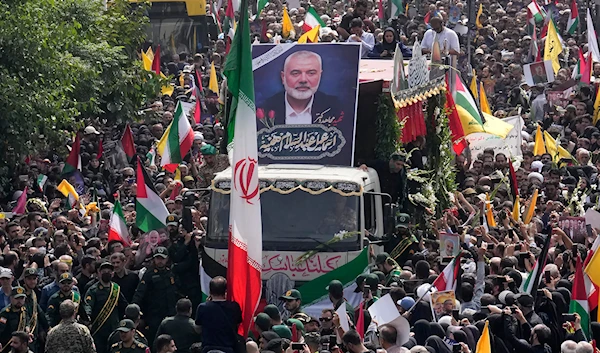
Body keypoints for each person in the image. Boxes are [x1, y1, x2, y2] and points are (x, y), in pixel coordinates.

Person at [258, 50, 342, 126]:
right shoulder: (263, 109)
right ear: (283, 77)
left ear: (320, 76)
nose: (303, 80)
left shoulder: (336, 108)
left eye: (311, 73)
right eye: (295, 73)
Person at [132, 246, 178, 346]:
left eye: (162, 258)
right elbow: (140, 293)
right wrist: (134, 309)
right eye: (158, 258)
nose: (160, 261)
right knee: (155, 341)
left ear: (167, 259)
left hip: (170, 314)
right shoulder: (149, 274)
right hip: (154, 315)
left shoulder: (171, 273)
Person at [84, 261, 129, 353]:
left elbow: (124, 305)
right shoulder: (93, 290)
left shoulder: (116, 289)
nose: (106, 273)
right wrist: (87, 316)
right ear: (99, 273)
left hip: (114, 328)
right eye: (104, 271)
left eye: (109, 271)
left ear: (112, 274)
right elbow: (88, 305)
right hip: (99, 329)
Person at [195, 276, 242, 353]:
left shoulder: (203, 307)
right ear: (225, 291)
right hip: (229, 348)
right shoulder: (234, 307)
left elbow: (198, 329)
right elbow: (238, 324)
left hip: (208, 348)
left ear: (210, 291)